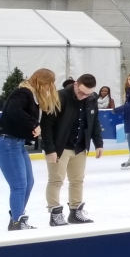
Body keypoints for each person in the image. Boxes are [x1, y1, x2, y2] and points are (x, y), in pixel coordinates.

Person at [40, 73, 103, 226]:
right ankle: (55, 213)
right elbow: (46, 125)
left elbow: (94, 122)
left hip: (80, 147)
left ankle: (75, 212)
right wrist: (49, 149)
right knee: (56, 180)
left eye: (87, 94)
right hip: (60, 147)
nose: (83, 96)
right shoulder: (59, 97)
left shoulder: (91, 98)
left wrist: (98, 143)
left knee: (77, 181)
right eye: (81, 92)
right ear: (75, 84)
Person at [1, 68, 57, 230]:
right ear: (40, 81)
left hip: (17, 143)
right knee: (18, 184)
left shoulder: (31, 94)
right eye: (48, 83)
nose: (49, 87)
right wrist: (33, 124)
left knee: (28, 182)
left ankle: (17, 218)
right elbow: (12, 109)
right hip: (8, 142)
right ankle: (18, 221)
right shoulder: (23, 92)